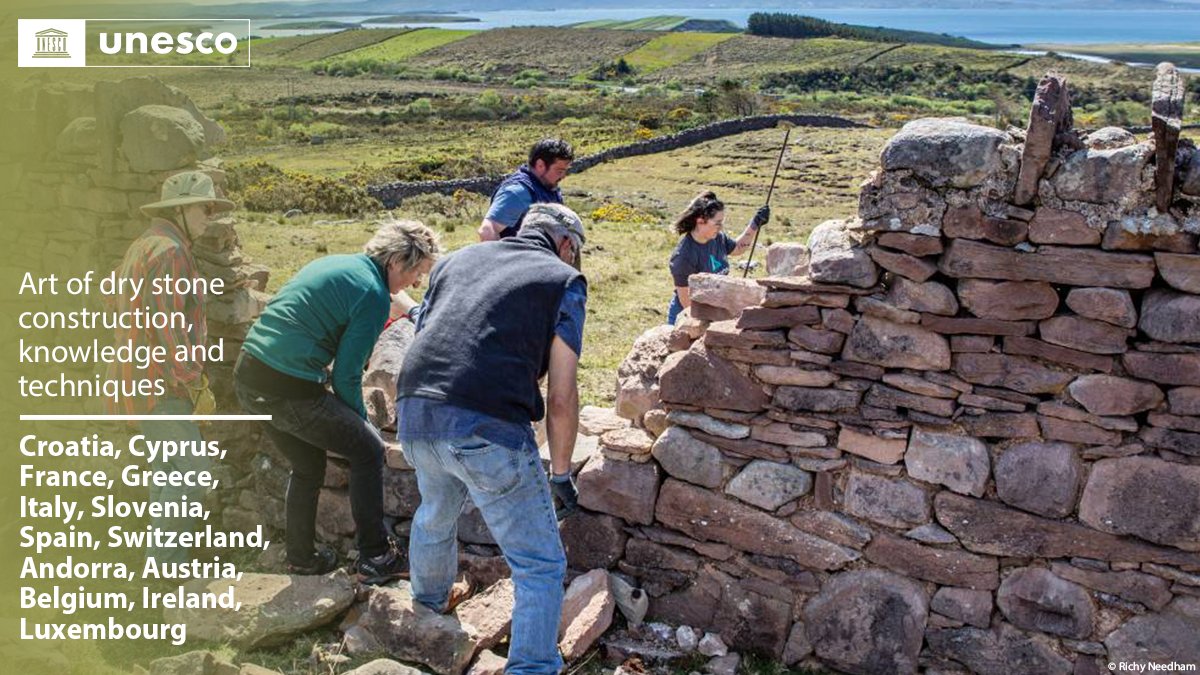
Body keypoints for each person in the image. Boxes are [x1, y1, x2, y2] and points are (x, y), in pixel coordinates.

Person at [397, 203, 587, 675]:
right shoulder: (563, 280)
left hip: (416, 410)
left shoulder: (456, 260)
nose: (575, 260)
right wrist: (561, 473)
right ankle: (532, 667)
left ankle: (428, 611)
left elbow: (430, 333)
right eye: (576, 252)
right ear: (565, 243)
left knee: (435, 515)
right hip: (487, 422)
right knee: (539, 562)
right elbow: (562, 395)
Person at [233, 220, 440, 582]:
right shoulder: (372, 295)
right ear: (395, 262)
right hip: (288, 386)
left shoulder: (338, 264)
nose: (416, 284)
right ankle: (375, 555)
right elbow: (346, 375)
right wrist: (363, 424)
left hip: (250, 374)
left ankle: (301, 558)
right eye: (416, 273)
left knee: (307, 463)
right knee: (368, 449)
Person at [110, 170, 231, 564]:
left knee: (168, 473)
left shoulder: (144, 245)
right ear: (180, 209)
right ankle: (166, 565)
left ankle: (161, 562)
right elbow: (169, 327)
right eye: (204, 209)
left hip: (139, 381)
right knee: (193, 473)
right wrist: (194, 383)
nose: (210, 217)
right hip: (163, 386)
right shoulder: (171, 252)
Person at [666, 191, 770, 324]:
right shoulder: (684, 256)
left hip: (714, 312)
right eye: (717, 223)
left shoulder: (718, 238)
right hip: (687, 320)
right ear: (700, 221)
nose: (721, 228)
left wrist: (755, 224)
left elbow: (738, 248)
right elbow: (687, 303)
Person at [477, 138, 574, 241]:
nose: (563, 176)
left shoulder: (549, 188)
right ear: (540, 165)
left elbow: (561, 221)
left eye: (565, 171)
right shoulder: (517, 192)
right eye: (559, 171)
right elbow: (487, 230)